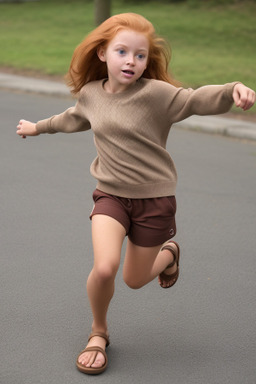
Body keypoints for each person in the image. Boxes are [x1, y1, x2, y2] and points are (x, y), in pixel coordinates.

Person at [16, 12, 255, 375]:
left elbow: (194, 100)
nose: (131, 61)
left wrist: (230, 89)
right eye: (122, 52)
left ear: (147, 60)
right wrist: (37, 127)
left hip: (154, 201)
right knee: (105, 267)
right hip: (110, 195)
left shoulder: (157, 95)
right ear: (102, 54)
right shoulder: (92, 95)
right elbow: (73, 117)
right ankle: (99, 333)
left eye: (140, 55)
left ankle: (169, 255)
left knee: (133, 279)